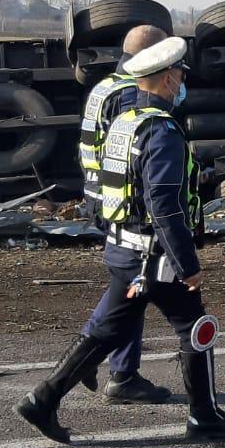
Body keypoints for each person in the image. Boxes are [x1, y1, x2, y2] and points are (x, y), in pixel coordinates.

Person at [16, 34, 225, 444]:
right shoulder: (163, 132)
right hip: (155, 256)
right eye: (179, 74)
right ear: (164, 80)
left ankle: (43, 400)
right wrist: (188, 264)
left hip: (123, 250)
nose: (182, 81)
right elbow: (164, 205)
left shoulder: (124, 124)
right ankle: (204, 415)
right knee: (195, 327)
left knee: (105, 330)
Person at [73, 24, 174, 405]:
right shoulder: (133, 93)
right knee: (138, 283)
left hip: (100, 198)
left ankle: (102, 360)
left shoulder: (105, 86)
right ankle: (117, 370)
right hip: (124, 204)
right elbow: (138, 151)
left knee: (128, 285)